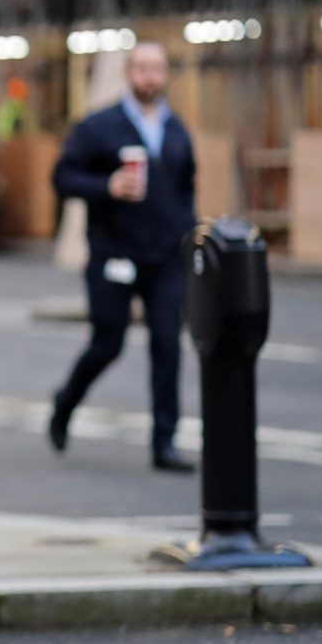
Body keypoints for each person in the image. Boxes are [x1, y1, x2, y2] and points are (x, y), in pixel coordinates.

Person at [47, 41, 197, 472]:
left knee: (167, 345)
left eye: (158, 68)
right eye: (142, 68)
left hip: (166, 257)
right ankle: (66, 401)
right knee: (107, 342)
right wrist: (106, 187)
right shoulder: (100, 127)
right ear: (129, 73)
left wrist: (191, 235)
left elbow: (186, 189)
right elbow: (63, 176)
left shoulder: (177, 130)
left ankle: (164, 443)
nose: (150, 76)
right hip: (114, 253)